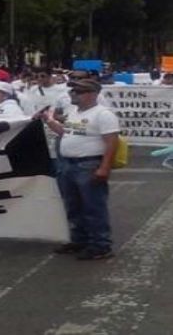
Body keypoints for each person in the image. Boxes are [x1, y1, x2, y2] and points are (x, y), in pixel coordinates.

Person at [44, 79, 120, 260]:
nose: (73, 94)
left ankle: (101, 245)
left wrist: (105, 167)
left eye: (78, 91)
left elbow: (112, 142)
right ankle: (79, 239)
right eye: (72, 91)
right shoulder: (74, 112)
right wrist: (50, 122)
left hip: (88, 164)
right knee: (73, 206)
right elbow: (67, 133)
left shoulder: (103, 114)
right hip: (68, 164)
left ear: (92, 94)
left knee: (93, 207)